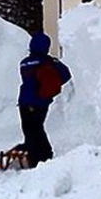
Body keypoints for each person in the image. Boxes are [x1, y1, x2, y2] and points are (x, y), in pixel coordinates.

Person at [13, 32, 71, 168]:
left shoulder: (25, 63)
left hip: (25, 100)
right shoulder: (49, 62)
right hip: (42, 101)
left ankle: (36, 157)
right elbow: (66, 74)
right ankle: (44, 154)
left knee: (29, 129)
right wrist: (53, 86)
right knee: (37, 128)